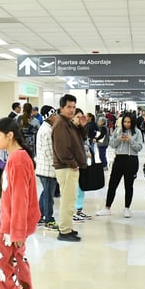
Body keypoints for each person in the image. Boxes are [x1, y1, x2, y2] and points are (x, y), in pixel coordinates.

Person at [0, 117, 41, 289]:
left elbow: (20, 199)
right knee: (18, 264)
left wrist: (17, 234)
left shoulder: (17, 160)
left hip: (13, 228)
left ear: (9, 136)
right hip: (15, 224)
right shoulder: (17, 157)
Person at [52, 94, 86, 242]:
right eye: (68, 107)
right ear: (61, 108)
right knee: (67, 200)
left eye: (73, 107)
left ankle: (67, 227)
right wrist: (73, 163)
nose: (72, 110)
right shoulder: (61, 124)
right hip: (66, 167)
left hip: (69, 167)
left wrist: (81, 127)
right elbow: (62, 149)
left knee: (70, 199)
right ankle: (64, 231)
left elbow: (80, 140)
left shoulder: (68, 123)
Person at [96, 112, 143, 218]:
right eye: (125, 121)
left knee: (128, 185)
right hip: (119, 159)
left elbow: (139, 147)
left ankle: (127, 208)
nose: (126, 124)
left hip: (132, 159)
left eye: (129, 122)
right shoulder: (118, 130)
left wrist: (130, 140)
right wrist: (119, 139)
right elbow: (111, 144)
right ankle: (107, 207)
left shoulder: (138, 132)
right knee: (112, 183)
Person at [35, 105, 59, 230]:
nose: (56, 117)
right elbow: (50, 153)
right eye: (54, 115)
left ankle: (38, 216)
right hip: (48, 170)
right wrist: (58, 166)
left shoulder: (46, 128)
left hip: (44, 168)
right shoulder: (47, 131)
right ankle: (49, 220)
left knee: (46, 194)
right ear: (49, 117)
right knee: (49, 196)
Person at [72, 108, 92, 222]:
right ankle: (73, 212)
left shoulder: (80, 129)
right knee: (73, 189)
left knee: (81, 188)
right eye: (77, 117)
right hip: (73, 163)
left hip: (81, 163)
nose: (80, 119)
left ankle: (79, 210)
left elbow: (84, 142)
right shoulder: (69, 129)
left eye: (81, 117)